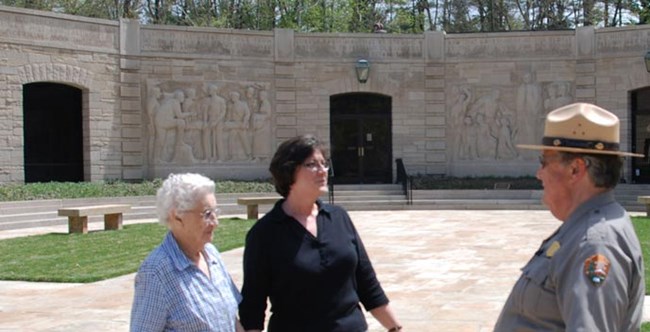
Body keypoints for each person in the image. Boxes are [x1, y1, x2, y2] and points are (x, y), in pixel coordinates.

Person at [494, 103, 645, 331]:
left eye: (544, 161)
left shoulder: (595, 244)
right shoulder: (586, 226)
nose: (539, 173)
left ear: (575, 169)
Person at [238, 135, 403, 332]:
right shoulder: (265, 233)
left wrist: (396, 328)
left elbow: (367, 284)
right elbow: (253, 306)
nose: (323, 171)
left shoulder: (338, 218)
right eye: (312, 164)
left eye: (324, 164)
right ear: (289, 171)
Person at [130, 173, 244, 332]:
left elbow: (230, 317)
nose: (215, 222)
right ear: (177, 217)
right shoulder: (156, 272)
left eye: (215, 212)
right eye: (207, 214)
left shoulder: (211, 254)